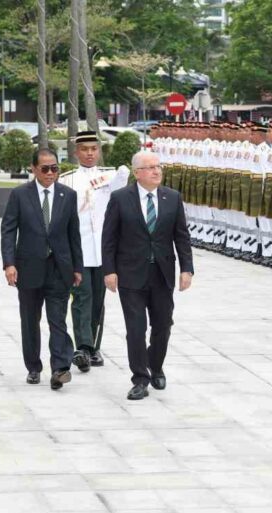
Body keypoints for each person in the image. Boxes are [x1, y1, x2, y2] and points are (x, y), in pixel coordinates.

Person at [101, 150, 195, 401]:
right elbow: (108, 238)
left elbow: (181, 236)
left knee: (163, 325)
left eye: (158, 166)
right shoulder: (121, 198)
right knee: (135, 328)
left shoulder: (172, 198)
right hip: (130, 274)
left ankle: (156, 366)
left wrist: (187, 268)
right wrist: (108, 270)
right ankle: (140, 378)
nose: (156, 171)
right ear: (137, 173)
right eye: (150, 167)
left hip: (162, 273)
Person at [1, 148, 84, 390]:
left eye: (55, 168)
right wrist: (9, 263)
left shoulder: (68, 195)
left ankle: (60, 368)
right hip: (28, 268)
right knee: (30, 320)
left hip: (59, 268)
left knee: (57, 319)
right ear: (34, 169)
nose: (50, 173)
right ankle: (33, 367)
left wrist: (77, 267)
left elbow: (73, 234)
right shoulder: (19, 195)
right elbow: (8, 231)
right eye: (45, 168)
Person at [60, 131, 130, 372]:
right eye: (84, 149)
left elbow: (121, 192)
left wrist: (123, 174)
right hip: (78, 249)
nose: (89, 153)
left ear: (99, 151)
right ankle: (83, 347)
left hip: (103, 249)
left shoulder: (110, 175)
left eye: (93, 149)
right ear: (76, 152)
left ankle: (93, 346)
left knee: (98, 300)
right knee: (82, 297)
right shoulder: (67, 179)